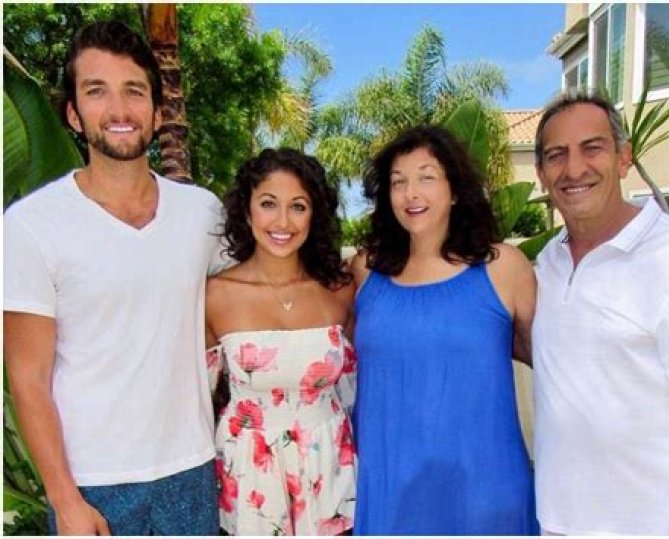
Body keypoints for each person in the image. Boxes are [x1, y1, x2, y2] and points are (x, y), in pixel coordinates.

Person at [4, 21, 226, 535]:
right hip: (92, 484)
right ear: (73, 114)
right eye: (96, 91)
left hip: (192, 470)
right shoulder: (31, 224)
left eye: (134, 91)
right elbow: (28, 378)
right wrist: (66, 501)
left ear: (157, 111)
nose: (119, 110)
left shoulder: (203, 214)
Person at [532, 91, 669, 535]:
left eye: (591, 148)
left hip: (655, 524)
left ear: (623, 158)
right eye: (557, 155)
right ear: (541, 173)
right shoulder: (547, 262)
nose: (574, 169)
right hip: (558, 521)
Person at [350, 125, 539, 535]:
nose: (410, 193)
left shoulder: (503, 267)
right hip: (388, 492)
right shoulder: (366, 270)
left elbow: (549, 362)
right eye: (398, 182)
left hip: (484, 492)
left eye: (426, 177)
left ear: (454, 190)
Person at [205, 147, 357, 535]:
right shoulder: (215, 295)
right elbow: (198, 399)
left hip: (329, 469)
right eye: (268, 204)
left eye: (298, 207)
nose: (283, 221)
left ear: (314, 215)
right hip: (250, 475)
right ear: (247, 211)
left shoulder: (340, 290)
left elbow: (356, 387)